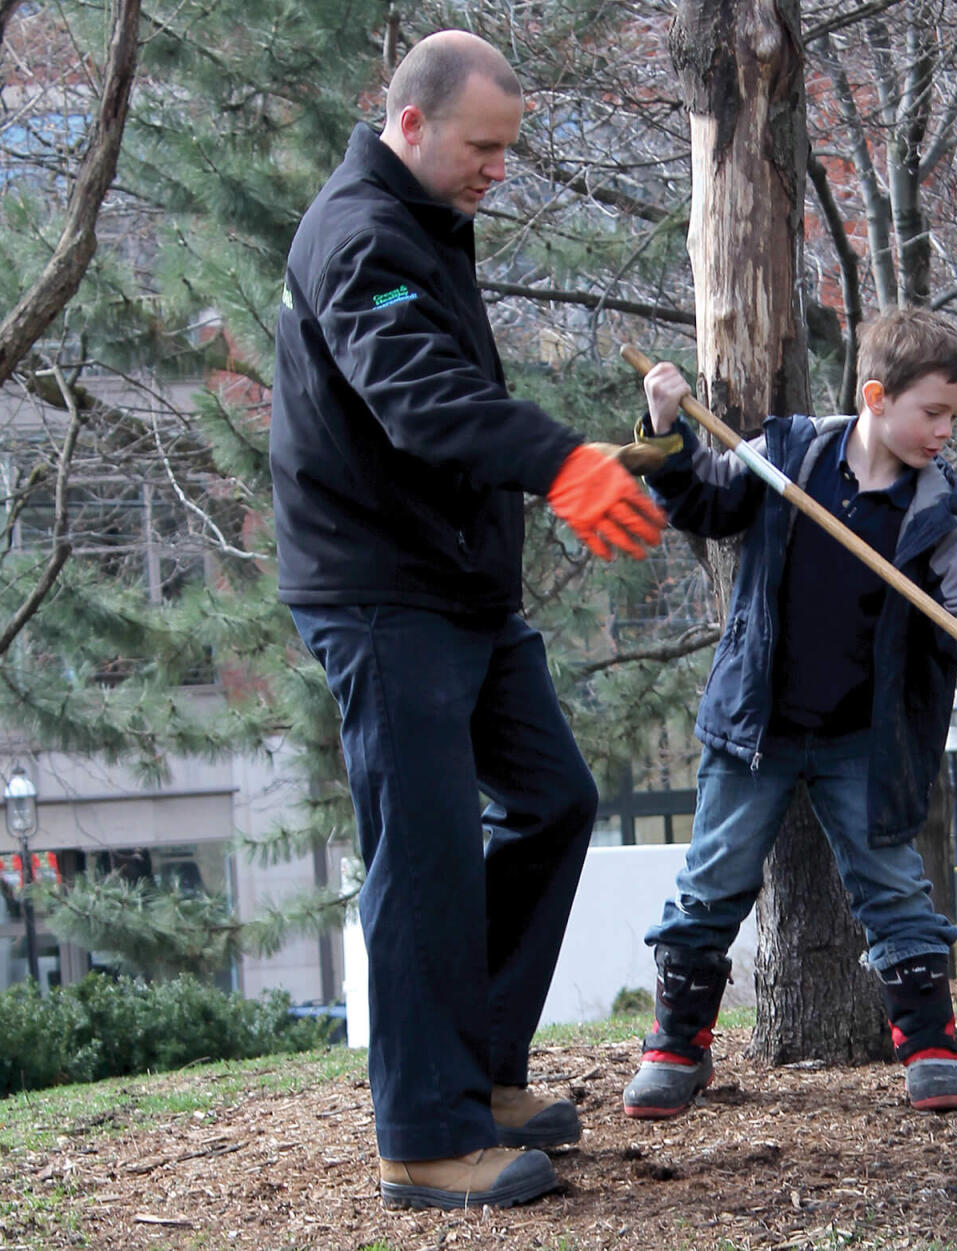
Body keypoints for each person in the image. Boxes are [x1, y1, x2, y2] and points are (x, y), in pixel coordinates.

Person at [270, 30, 665, 1211]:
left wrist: (583, 456)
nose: (500, 168)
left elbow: (454, 397)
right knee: (426, 852)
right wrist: (558, 465)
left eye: (509, 149)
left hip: (459, 588)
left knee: (555, 800)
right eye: (482, 146)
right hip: (382, 593)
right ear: (408, 124)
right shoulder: (361, 238)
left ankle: (479, 1073)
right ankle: (426, 1137)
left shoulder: (425, 220)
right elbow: (424, 401)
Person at [622, 308, 957, 1120]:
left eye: (956, 416)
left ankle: (930, 1043)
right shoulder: (786, 455)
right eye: (935, 413)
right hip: (756, 728)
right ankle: (676, 1044)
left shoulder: (934, 504)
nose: (946, 431)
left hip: (862, 739)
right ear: (877, 397)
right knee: (712, 881)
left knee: (894, 887)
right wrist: (662, 432)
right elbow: (702, 504)